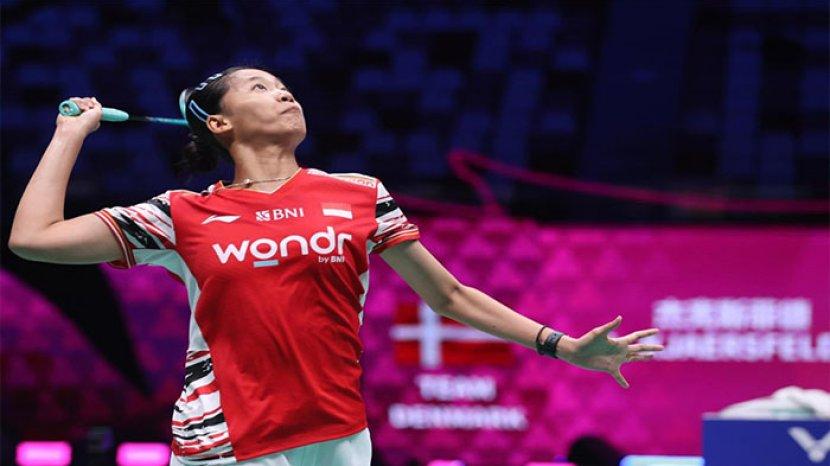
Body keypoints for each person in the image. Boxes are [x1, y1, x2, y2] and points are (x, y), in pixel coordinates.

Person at [8, 66, 665, 466]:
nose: (284, 95)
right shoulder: (181, 213)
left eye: (285, 87)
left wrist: (563, 346)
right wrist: (69, 136)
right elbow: (34, 238)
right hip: (227, 436)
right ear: (220, 125)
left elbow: (450, 296)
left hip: (338, 434)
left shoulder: (358, 194)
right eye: (261, 88)